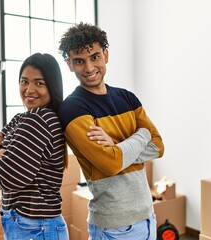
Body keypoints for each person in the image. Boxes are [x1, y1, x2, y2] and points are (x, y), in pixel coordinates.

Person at [58, 22, 165, 240]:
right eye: (79, 61)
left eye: (94, 57)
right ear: (69, 64)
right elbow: (110, 164)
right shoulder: (73, 108)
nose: (88, 68)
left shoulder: (127, 97)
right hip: (113, 226)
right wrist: (141, 135)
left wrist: (117, 147)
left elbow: (158, 146)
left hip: (147, 217)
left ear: (105, 55)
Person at [0, 53, 69, 240]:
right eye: (24, 81)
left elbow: (7, 178)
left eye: (39, 83)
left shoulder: (39, 119)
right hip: (28, 225)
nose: (29, 89)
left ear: (52, 86)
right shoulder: (21, 119)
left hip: (35, 227)